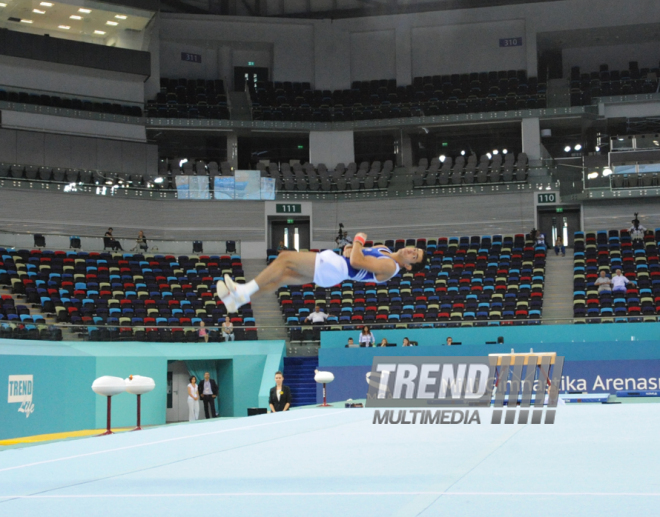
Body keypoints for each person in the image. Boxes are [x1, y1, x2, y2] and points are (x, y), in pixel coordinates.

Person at [216, 231, 426, 313]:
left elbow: (355, 258)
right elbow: (349, 251)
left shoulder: (390, 267)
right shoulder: (384, 250)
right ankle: (239, 301)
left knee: (284, 258)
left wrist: (359, 241)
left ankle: (243, 290)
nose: (411, 251)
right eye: (414, 249)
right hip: (335, 268)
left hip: (337, 268)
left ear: (408, 266)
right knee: (282, 277)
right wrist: (354, 248)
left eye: (414, 256)